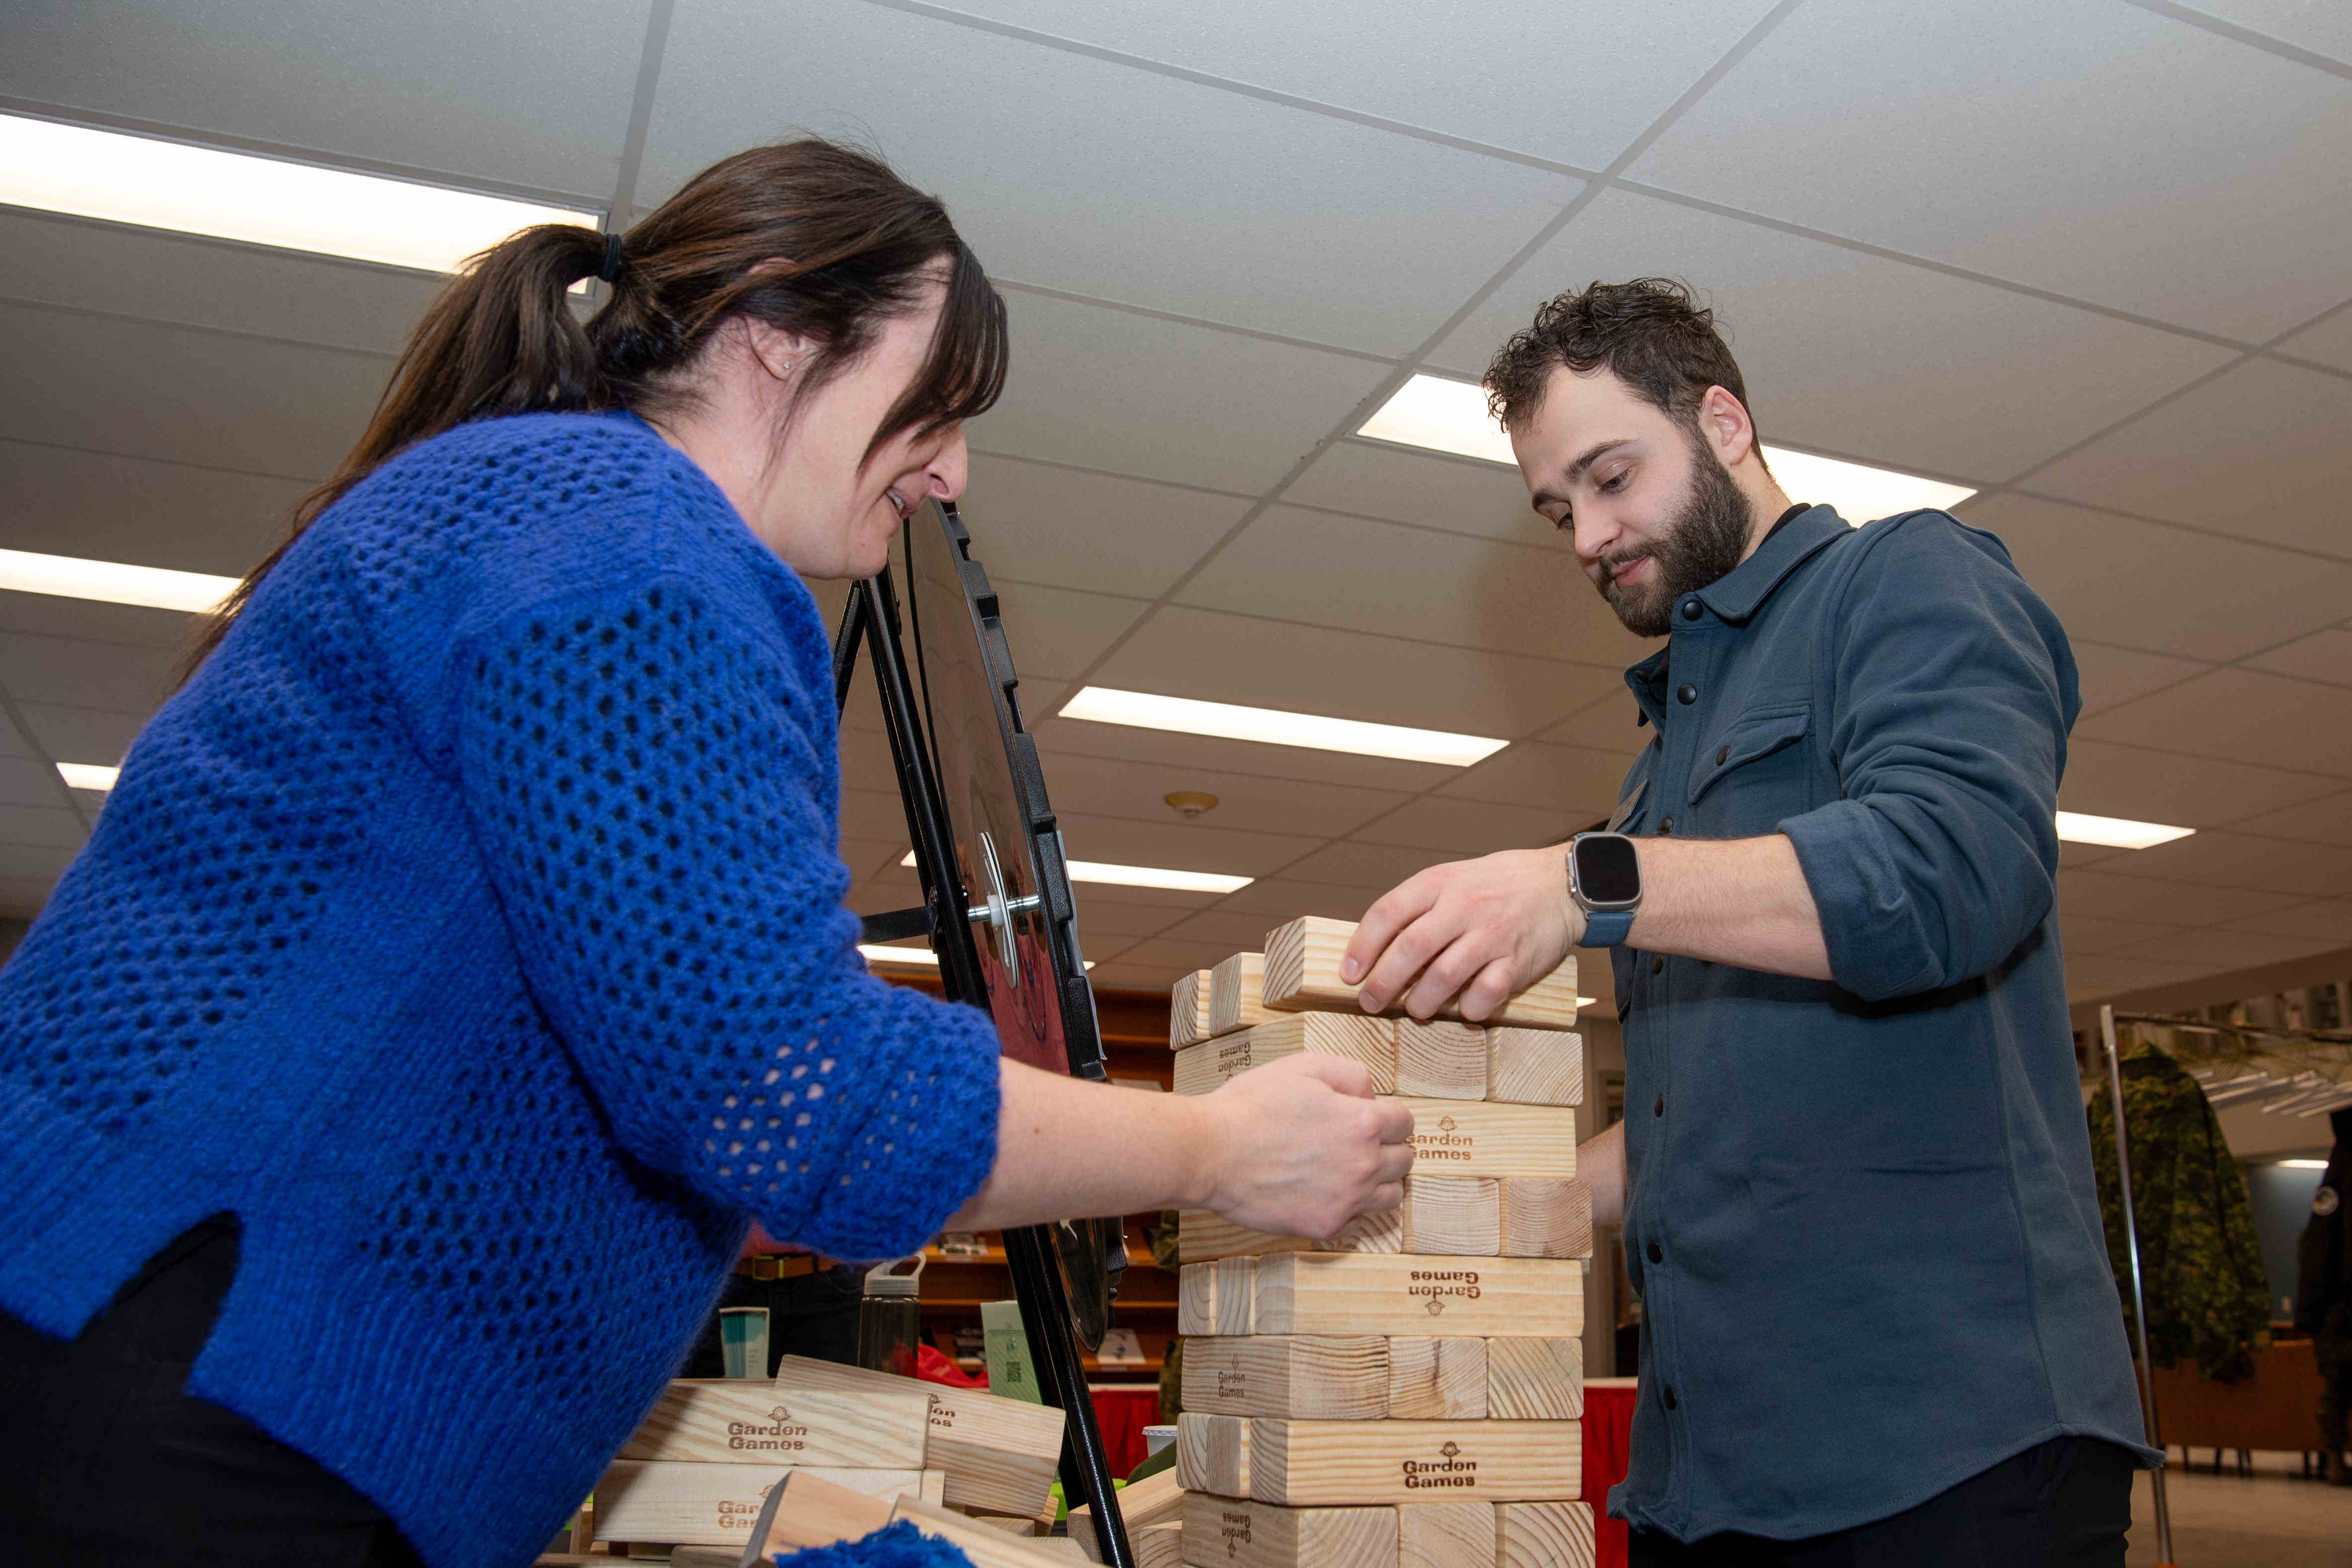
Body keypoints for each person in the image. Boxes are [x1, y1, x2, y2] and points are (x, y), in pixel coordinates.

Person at [0, 139, 1413, 1568]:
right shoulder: (633, 534)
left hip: (199, 1376)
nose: (954, 467)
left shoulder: (558, 511)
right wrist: (1220, 1145)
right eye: (935, 402)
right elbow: (788, 1087)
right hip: (213, 1395)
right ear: (774, 341)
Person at [1339, 279, 2150, 1565]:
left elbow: (1950, 871)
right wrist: (1490, 1194)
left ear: (1721, 421)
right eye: (1558, 509)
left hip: (1946, 1450)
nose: (1586, 536)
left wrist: (1577, 881)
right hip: (1711, 1470)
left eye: (1610, 477)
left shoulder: (1906, 577)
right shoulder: (1659, 761)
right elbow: (1712, 1104)